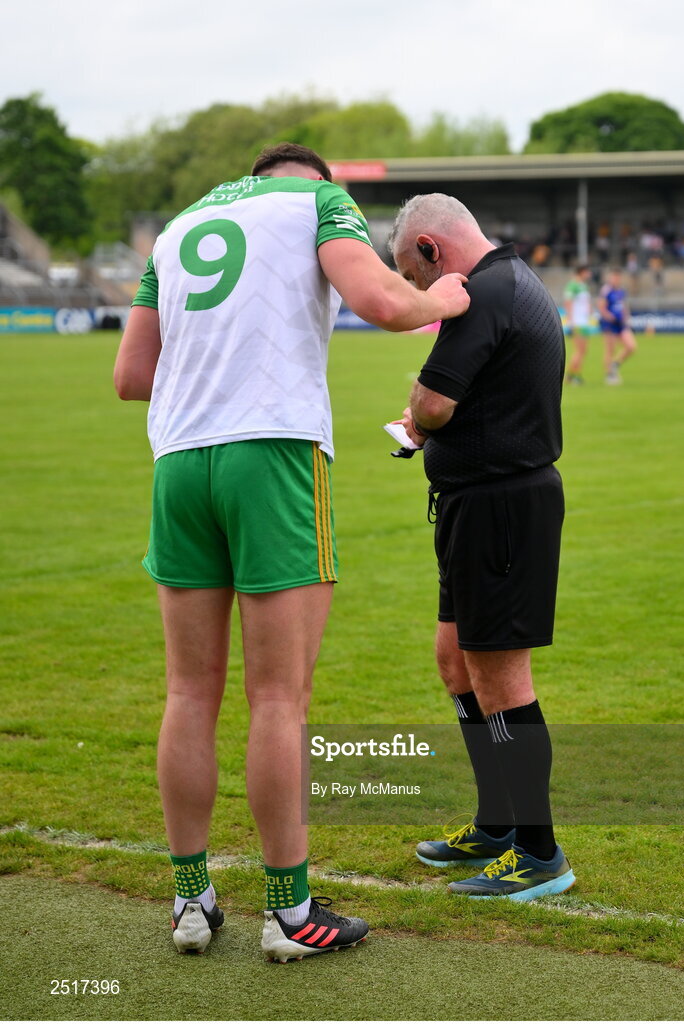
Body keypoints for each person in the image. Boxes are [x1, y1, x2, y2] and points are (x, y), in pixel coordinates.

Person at [113, 144, 469, 962]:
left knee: (187, 692)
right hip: (269, 454)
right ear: (315, 182)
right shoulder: (317, 205)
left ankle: (190, 900)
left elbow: (132, 374)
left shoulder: (178, 226)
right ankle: (287, 911)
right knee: (279, 697)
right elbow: (381, 301)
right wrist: (444, 294)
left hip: (179, 462)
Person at [388, 193, 575, 902]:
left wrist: (415, 421)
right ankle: (497, 824)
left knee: (501, 680)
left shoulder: (484, 292)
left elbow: (433, 403)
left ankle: (539, 851)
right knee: (455, 662)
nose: (419, 293)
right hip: (479, 502)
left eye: (413, 275)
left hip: (500, 507)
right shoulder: (507, 281)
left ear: (433, 251)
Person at [597, 267, 637, 385]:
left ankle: (615, 364)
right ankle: (609, 375)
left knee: (631, 346)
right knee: (610, 350)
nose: (616, 279)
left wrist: (626, 318)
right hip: (610, 324)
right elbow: (601, 307)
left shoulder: (621, 291)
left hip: (621, 323)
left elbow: (624, 306)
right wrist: (609, 317)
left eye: (618, 277)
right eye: (614, 277)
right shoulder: (606, 290)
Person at [563, 265, 593, 385]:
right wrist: (570, 321)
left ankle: (572, 375)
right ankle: (573, 376)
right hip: (577, 322)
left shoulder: (583, 285)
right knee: (579, 350)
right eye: (587, 272)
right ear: (582, 272)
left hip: (584, 322)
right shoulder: (573, 285)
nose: (589, 274)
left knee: (583, 350)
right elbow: (568, 303)